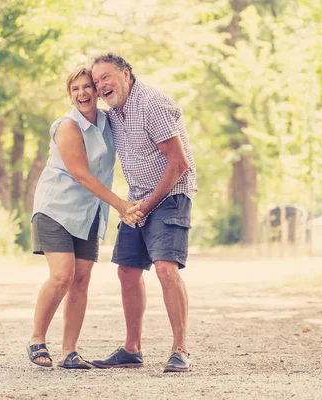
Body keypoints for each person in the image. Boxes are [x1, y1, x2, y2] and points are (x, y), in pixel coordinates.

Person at [27, 66, 140, 370]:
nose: (82, 94)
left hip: (89, 211)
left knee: (81, 279)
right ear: (70, 95)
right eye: (75, 89)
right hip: (57, 208)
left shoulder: (107, 121)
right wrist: (121, 205)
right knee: (62, 275)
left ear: (97, 90)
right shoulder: (68, 126)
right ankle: (37, 338)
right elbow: (80, 174)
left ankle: (69, 351)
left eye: (87, 86)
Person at [90, 54, 198, 373]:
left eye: (106, 77)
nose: (101, 86)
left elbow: (179, 164)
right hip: (138, 199)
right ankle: (132, 348)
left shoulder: (151, 104)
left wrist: (144, 206)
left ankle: (180, 349)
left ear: (126, 74)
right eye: (96, 82)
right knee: (127, 270)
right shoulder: (115, 113)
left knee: (165, 267)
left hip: (171, 194)